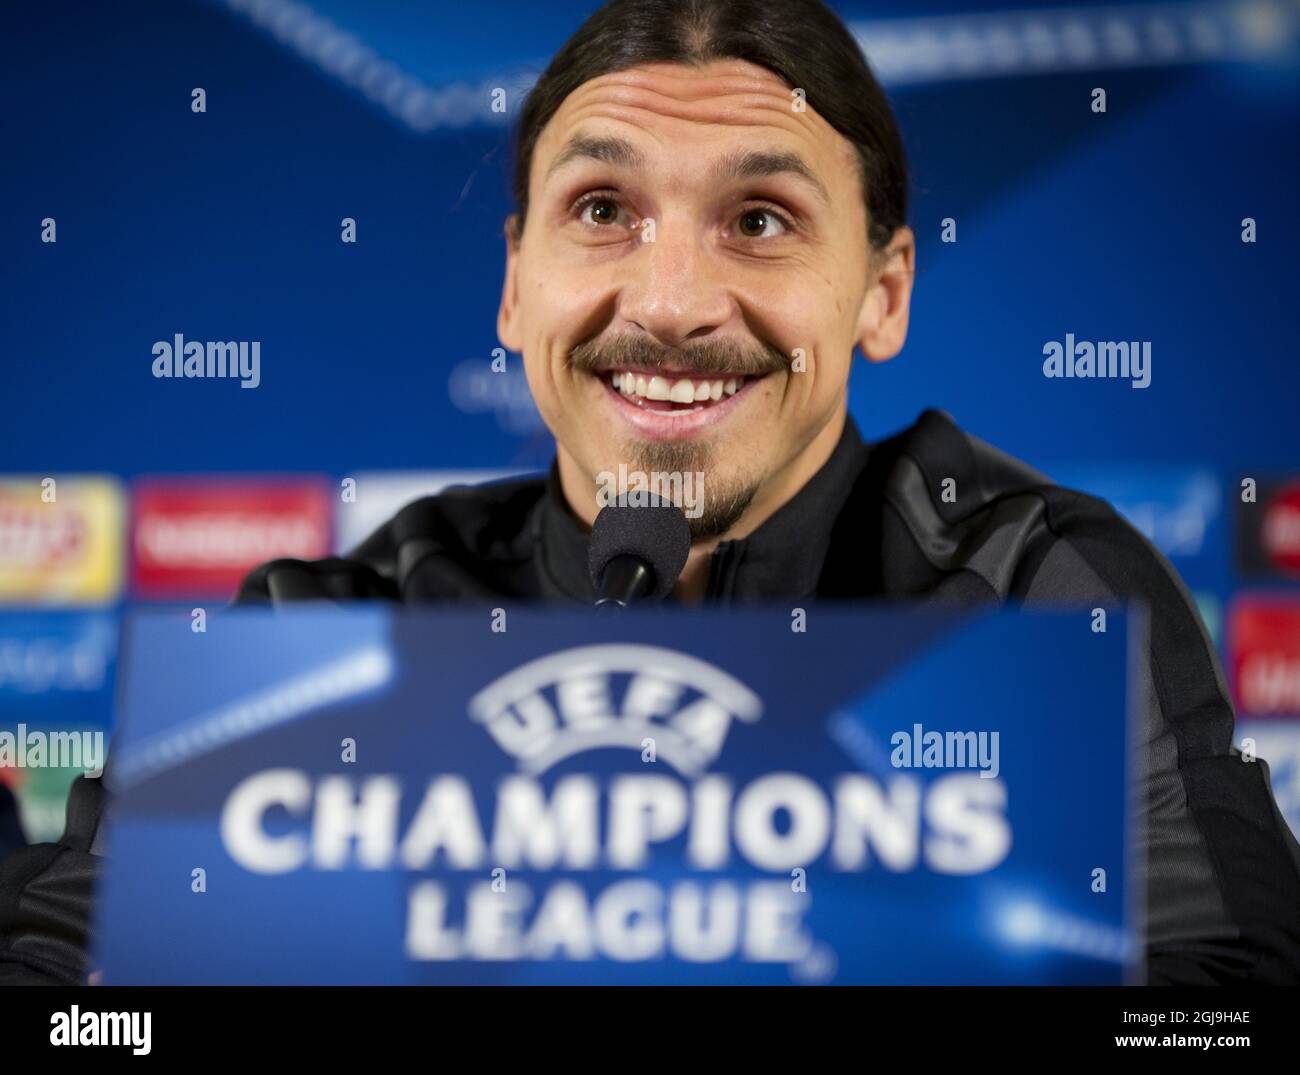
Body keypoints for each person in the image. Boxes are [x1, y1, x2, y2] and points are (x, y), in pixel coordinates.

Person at [2, 0, 1297, 985]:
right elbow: (72, 995)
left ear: (883, 293)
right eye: (605, 207)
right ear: (517, 284)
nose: (671, 303)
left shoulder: (1037, 588)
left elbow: (1225, 1001)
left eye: (763, 221)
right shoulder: (331, 624)